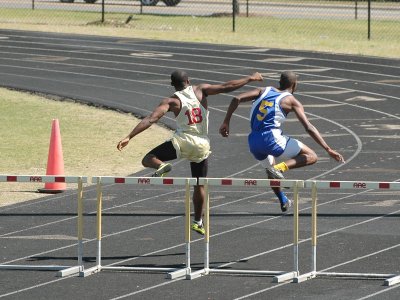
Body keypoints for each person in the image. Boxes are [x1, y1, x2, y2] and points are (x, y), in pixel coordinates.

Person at [117, 70, 263, 234]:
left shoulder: (171, 101)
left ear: (172, 84)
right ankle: (198, 221)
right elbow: (227, 86)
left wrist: (130, 136)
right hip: (202, 143)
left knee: (148, 158)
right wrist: (250, 78)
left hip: (183, 141)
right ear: (188, 80)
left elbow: (151, 119)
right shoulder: (200, 90)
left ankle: (161, 166)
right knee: (200, 183)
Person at [219, 71, 345, 212]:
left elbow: (236, 98)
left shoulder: (263, 90)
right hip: (271, 138)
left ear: (280, 82)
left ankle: (282, 199)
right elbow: (308, 127)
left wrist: (226, 122)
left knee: (270, 170)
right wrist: (328, 148)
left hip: (253, 141)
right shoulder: (291, 101)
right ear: (294, 84)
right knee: (311, 156)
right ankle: (279, 169)